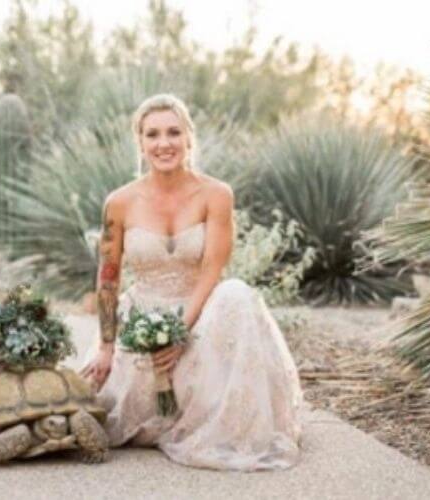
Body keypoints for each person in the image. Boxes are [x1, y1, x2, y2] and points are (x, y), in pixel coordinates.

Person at [80, 94, 303, 471]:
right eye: (152, 135)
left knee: (236, 293)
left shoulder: (216, 194)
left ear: (188, 138)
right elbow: (108, 278)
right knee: (99, 410)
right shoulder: (119, 202)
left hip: (201, 316)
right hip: (142, 319)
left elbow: (211, 271)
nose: (163, 143)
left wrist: (179, 332)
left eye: (173, 132)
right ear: (141, 142)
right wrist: (106, 346)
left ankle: (213, 409)